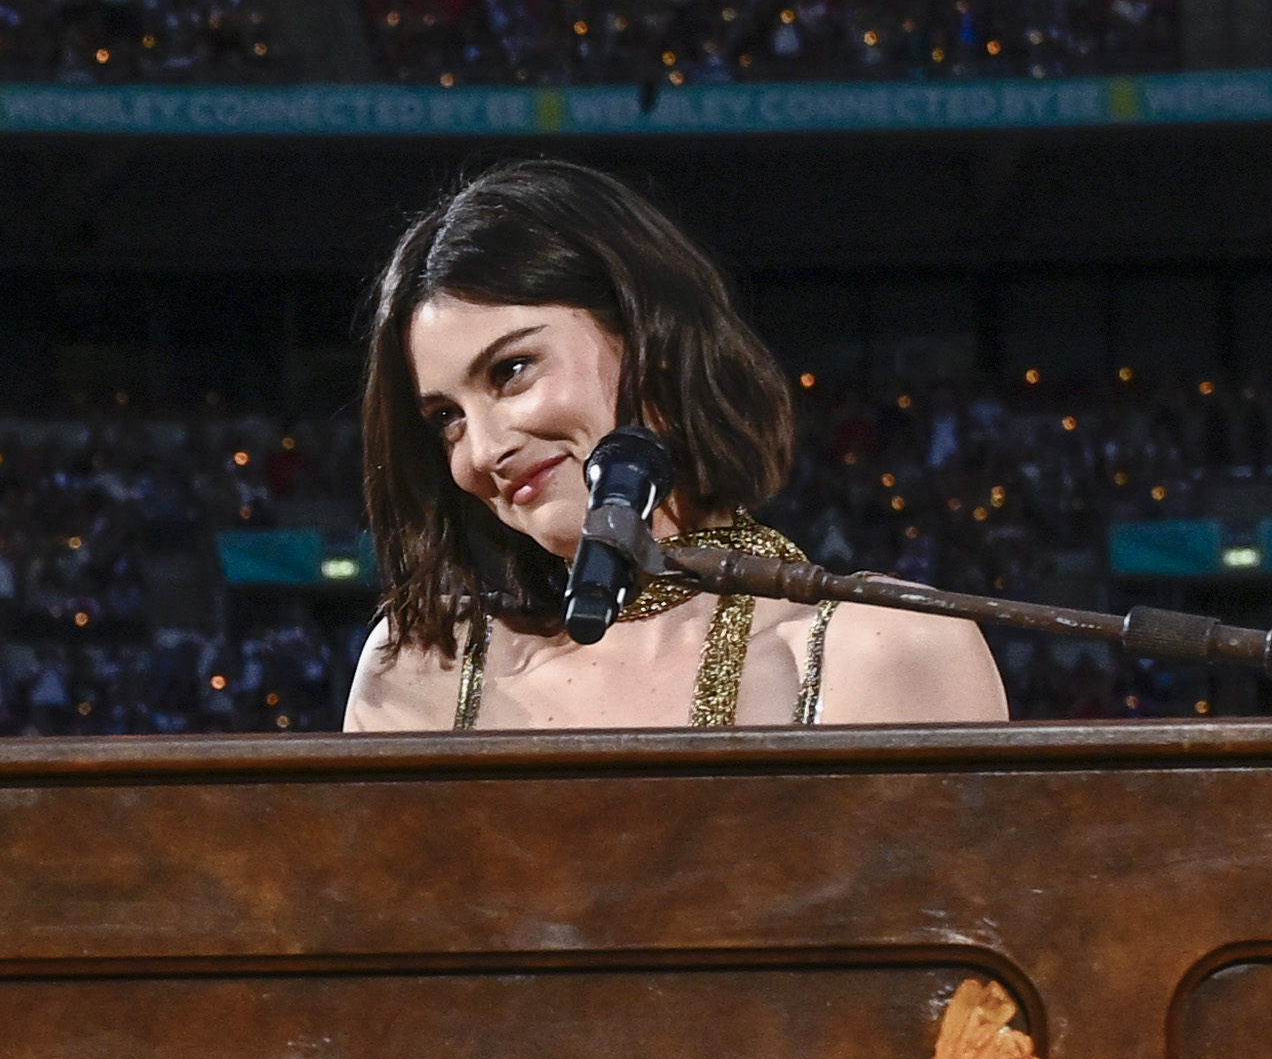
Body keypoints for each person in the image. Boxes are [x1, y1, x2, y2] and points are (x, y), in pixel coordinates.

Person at [339, 160, 1008, 734]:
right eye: (447, 418)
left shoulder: (889, 652)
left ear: (650, 338)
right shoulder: (419, 676)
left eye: (511, 370)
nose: (482, 451)